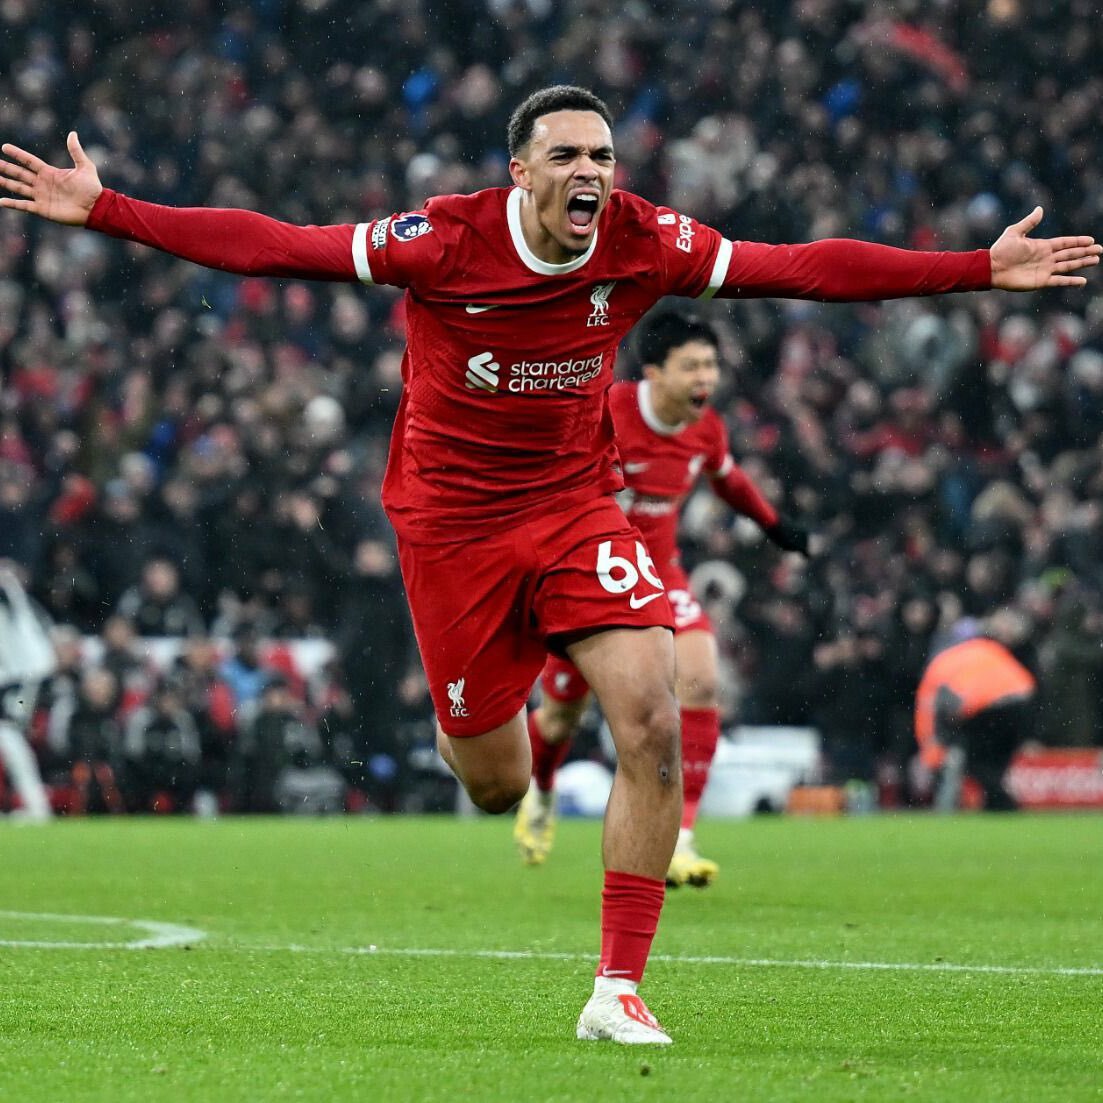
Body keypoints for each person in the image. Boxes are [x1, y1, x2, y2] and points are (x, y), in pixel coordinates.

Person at [2, 84, 1097, 1045]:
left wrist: (974, 268)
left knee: (652, 711)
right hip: (451, 526)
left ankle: (616, 987)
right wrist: (109, 208)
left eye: (602, 156)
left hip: (574, 507)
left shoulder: (643, 239)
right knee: (493, 779)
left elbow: (802, 268)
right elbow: (274, 245)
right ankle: (486, 722)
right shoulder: (442, 239)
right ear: (518, 172)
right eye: (565, 155)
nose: (590, 172)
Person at [514, 312, 812, 886]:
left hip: (660, 576)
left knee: (701, 681)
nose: (706, 377)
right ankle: (542, 792)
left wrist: (775, 527)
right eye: (692, 366)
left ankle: (681, 837)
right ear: (653, 372)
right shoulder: (608, 412)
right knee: (559, 719)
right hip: (589, 576)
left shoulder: (706, 429)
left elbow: (728, 479)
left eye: (711, 365)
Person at [915, 617, 1037, 812]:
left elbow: (930, 710)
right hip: (1021, 705)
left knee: (975, 762)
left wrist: (931, 754)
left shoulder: (944, 661)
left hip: (989, 709)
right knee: (996, 763)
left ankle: (1003, 803)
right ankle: (994, 804)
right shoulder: (989, 649)